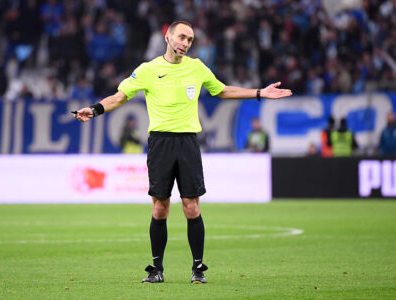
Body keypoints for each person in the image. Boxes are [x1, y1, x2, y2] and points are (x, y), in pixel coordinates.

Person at [74, 21, 292, 284]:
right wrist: (94, 109)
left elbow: (221, 90)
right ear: (168, 37)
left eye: (189, 39)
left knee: (191, 206)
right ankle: (156, 270)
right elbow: (120, 97)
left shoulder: (197, 67)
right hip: (160, 143)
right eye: (181, 37)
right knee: (159, 208)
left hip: (188, 143)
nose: (185, 43)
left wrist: (259, 93)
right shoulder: (148, 70)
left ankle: (198, 269)